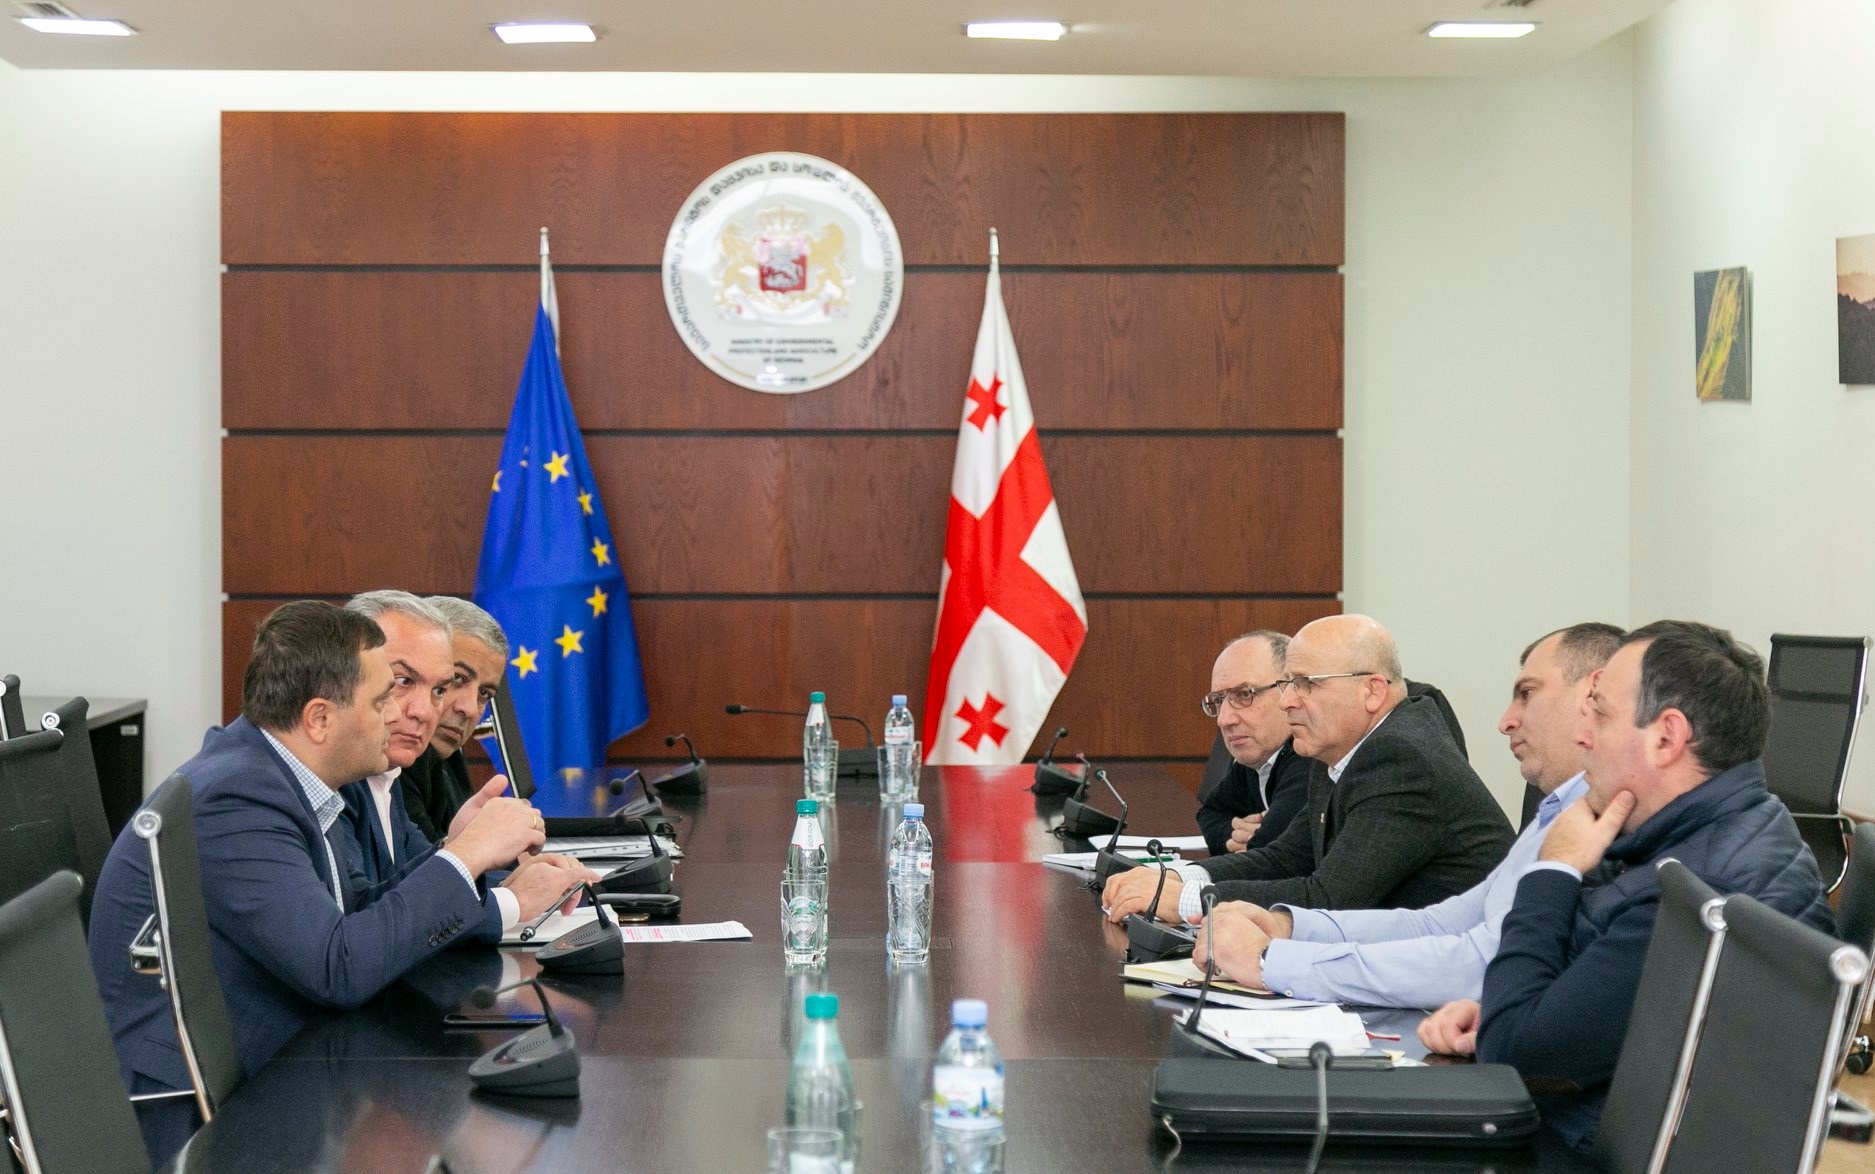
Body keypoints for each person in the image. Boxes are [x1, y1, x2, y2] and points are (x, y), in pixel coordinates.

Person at [85, 602, 580, 1164]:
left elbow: (357, 908)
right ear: (319, 718)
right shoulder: (238, 797)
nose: (400, 715)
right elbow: (338, 967)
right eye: (382, 699)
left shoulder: (282, 777)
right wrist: (464, 858)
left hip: (273, 1064)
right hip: (199, 1119)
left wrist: (453, 854)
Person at [1415, 620, 1833, 1150]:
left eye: (1601, 715)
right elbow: (1568, 1008)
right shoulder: (1711, 829)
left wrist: (1553, 871)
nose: (1583, 735)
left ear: (1666, 738)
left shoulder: (1692, 891)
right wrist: (1504, 1011)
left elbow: (1519, 1057)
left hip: (1579, 1147)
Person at [1192, 623, 1624, 1006]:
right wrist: (1286, 926)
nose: (1505, 721)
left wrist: (1271, 960)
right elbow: (1442, 922)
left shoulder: (1401, 755)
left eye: (1305, 684)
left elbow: (1477, 960)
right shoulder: (1563, 806)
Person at [1103, 614, 1512, 926]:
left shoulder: (1402, 759)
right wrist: (1178, 875)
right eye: (1288, 685)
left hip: (1452, 989)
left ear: (1372, 691)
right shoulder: (1336, 748)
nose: (1287, 702)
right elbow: (1287, 858)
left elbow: (1330, 899)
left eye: (1306, 684)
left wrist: (1185, 900)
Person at [399, 594, 508, 842]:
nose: (469, 709)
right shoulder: (397, 760)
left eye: (484, 694)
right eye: (457, 678)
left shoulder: (444, 755)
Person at [1193, 631, 1313, 855]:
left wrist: (1258, 841)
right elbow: (1209, 814)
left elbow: (1274, 849)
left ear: (1289, 690)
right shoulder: (1258, 758)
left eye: (1244, 694)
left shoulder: (1312, 757)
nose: (1223, 719)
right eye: (1218, 701)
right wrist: (1235, 836)